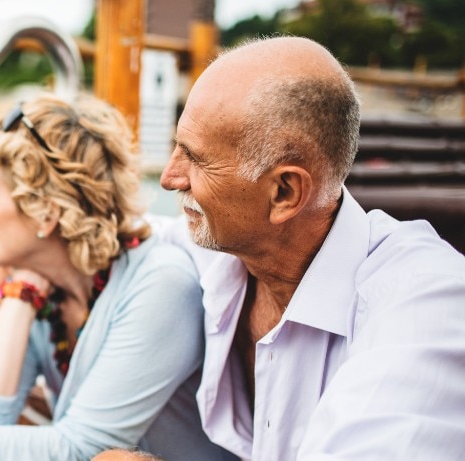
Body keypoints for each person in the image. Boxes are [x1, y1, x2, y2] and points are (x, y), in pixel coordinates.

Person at [0, 94, 235, 461]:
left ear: (45, 213)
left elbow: (83, 451)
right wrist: (21, 291)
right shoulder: (50, 287)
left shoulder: (161, 285)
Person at [155, 36, 465, 459]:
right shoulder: (219, 248)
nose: (169, 177)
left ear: (284, 192)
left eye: (196, 159)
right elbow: (135, 233)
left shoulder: (427, 305)